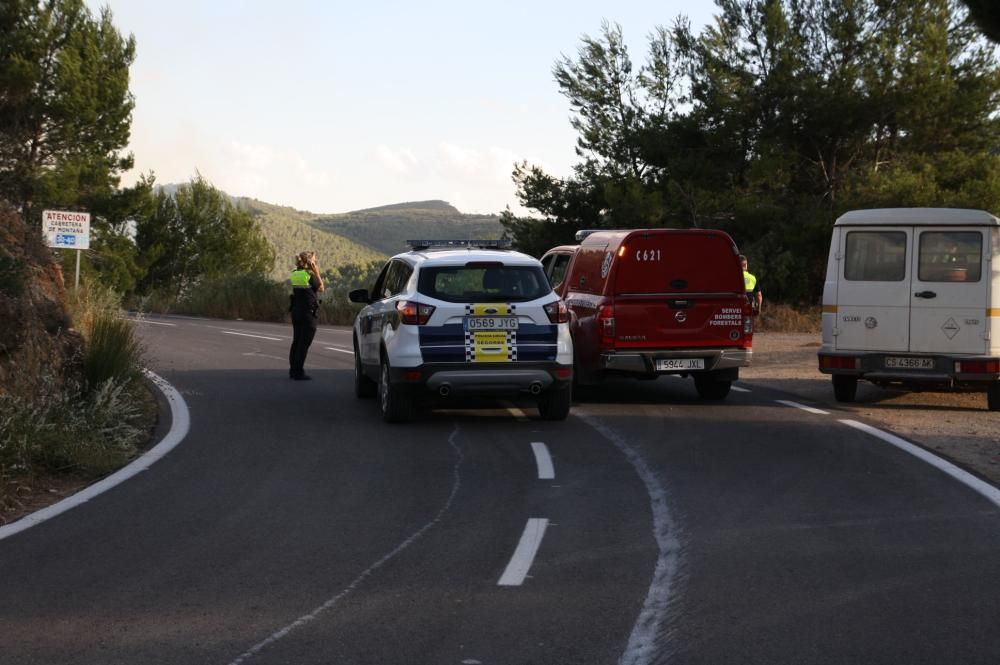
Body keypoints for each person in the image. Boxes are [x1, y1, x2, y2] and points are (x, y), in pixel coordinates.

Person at [288, 251, 325, 380]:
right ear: (310, 262)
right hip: (308, 313)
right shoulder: (310, 275)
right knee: (304, 343)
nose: (316, 262)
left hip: (296, 311)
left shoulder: (295, 274)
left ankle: (293, 370)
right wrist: (317, 272)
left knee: (296, 340)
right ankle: (298, 372)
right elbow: (321, 288)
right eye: (315, 260)